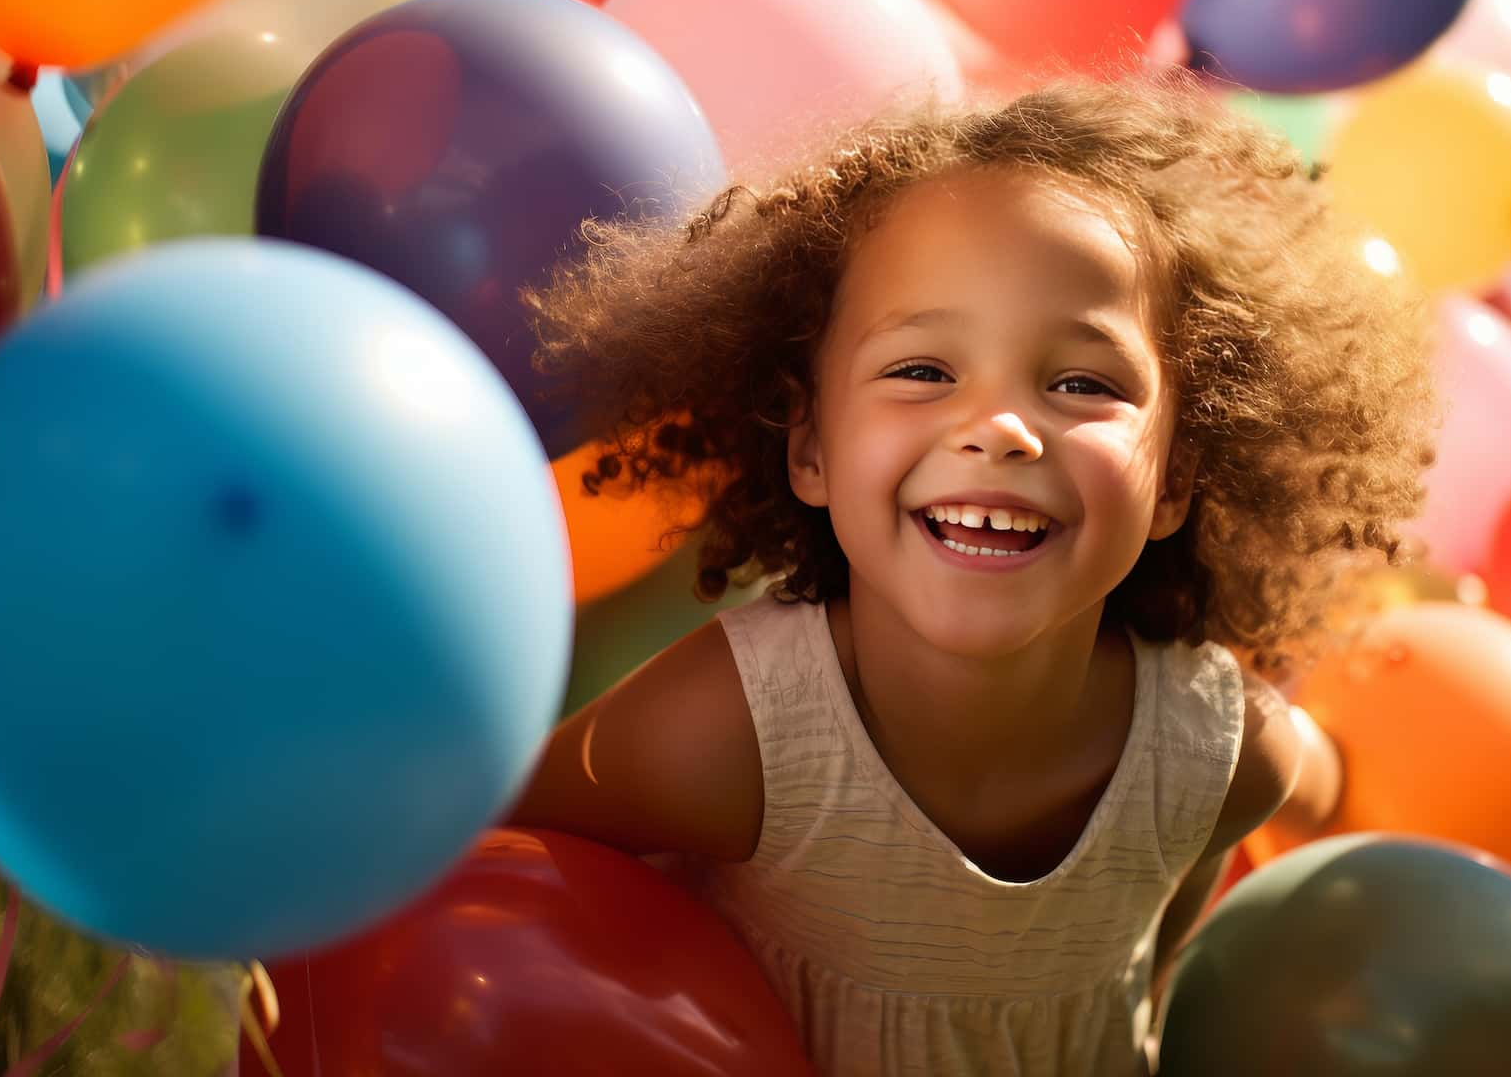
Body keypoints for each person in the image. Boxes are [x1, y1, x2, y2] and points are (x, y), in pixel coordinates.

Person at [510, 74, 1436, 1076]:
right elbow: (475, 876)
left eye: (1082, 382)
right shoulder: (731, 736)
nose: (998, 427)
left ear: (1177, 477)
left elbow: (1304, 795)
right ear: (810, 443)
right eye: (922, 369)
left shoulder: (1215, 754)